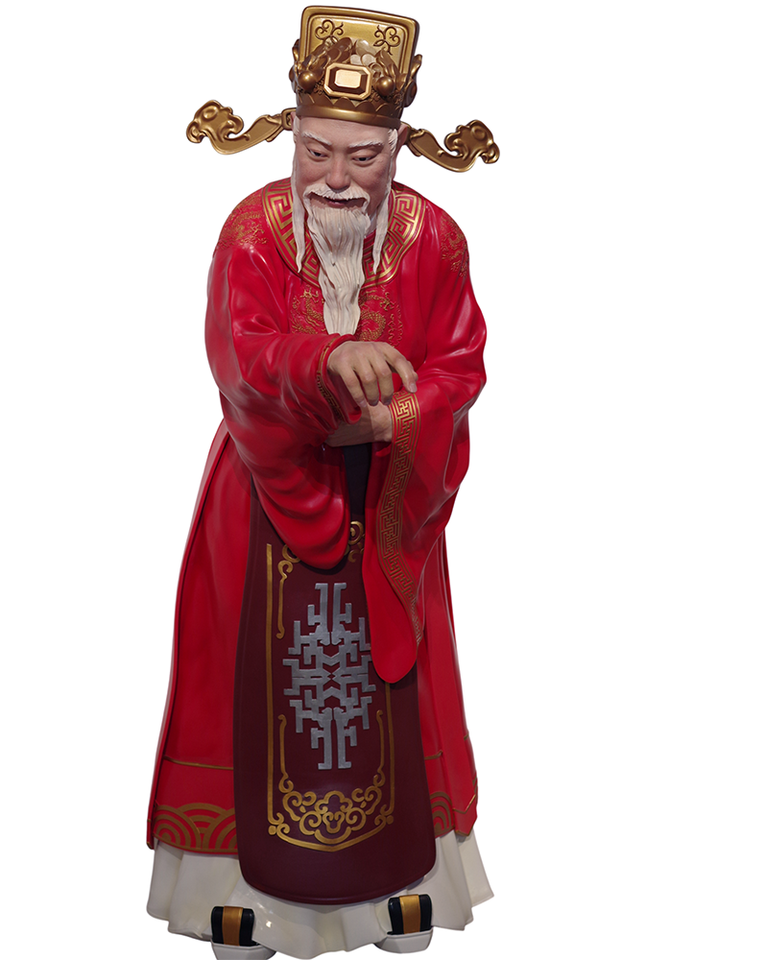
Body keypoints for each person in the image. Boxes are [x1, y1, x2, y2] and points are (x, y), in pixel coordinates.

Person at [146, 8, 498, 958]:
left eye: (363, 156)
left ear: (399, 148)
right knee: (245, 680)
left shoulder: (434, 238)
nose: (336, 178)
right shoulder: (252, 231)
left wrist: (401, 417)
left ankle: (403, 886)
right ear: (291, 136)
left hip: (387, 497)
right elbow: (238, 350)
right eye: (317, 151)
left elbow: (460, 363)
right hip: (266, 492)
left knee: (395, 680)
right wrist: (325, 361)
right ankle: (228, 891)